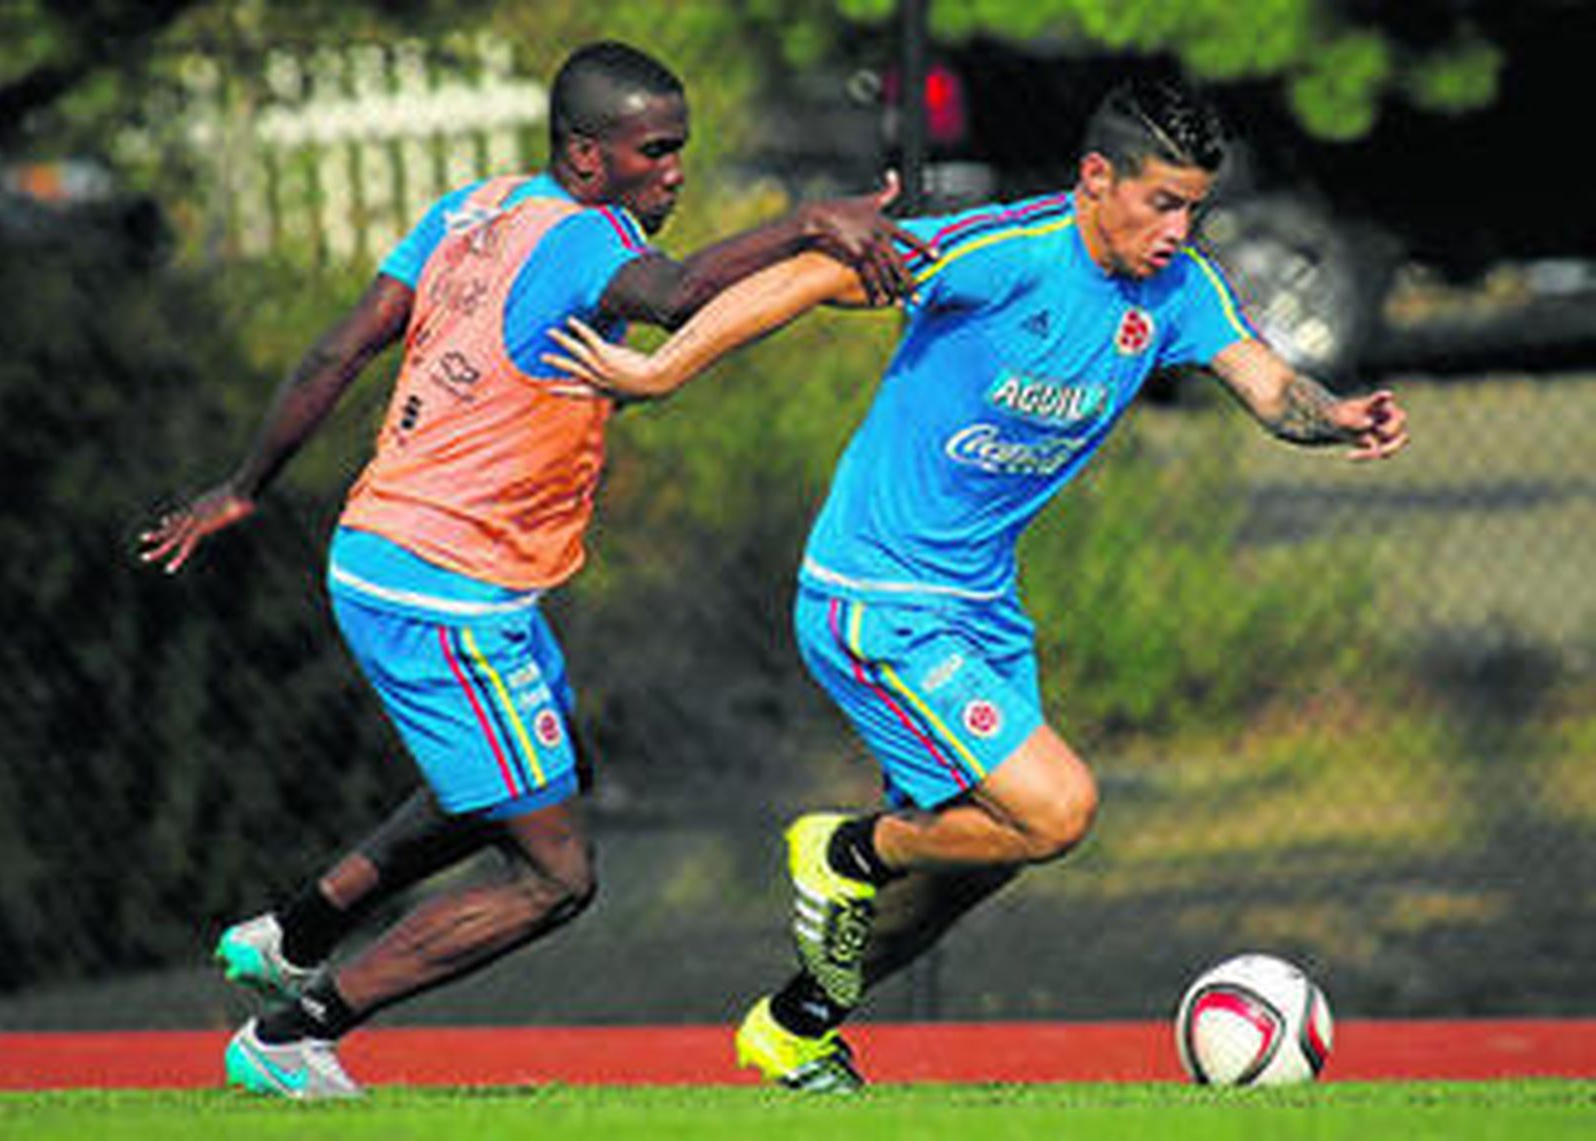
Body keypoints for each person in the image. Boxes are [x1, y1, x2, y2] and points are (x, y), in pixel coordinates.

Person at [543, 73, 1411, 1092]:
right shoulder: (1004, 251)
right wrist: (664, 370)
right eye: (1161, 203)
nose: (1179, 229)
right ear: (1096, 178)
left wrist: (1335, 417)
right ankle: (847, 852)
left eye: (1193, 208)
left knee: (984, 852)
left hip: (980, 611)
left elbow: (1270, 385)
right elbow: (822, 275)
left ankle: (796, 1025)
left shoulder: (1179, 292)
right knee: (1057, 809)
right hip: (875, 597)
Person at [137, 40, 927, 1100]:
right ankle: (294, 1032)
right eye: (655, 151)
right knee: (555, 875)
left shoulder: (477, 206)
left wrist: (248, 482)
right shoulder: (586, 238)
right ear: (586, 157)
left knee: (527, 786)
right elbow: (681, 291)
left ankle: (299, 928)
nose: (674, 171)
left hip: (396, 553)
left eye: (679, 149)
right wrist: (807, 219)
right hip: (443, 590)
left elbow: (344, 345)